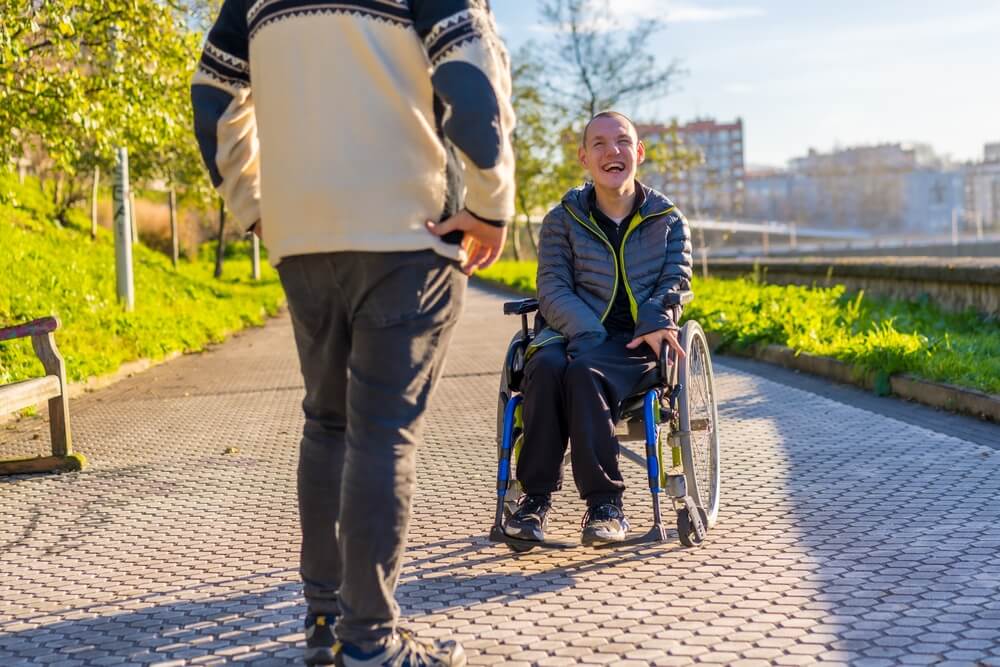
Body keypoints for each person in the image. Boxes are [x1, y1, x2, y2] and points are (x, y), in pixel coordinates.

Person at [191, 2, 515, 665]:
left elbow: (212, 92)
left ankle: (325, 617)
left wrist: (255, 205)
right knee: (382, 431)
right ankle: (370, 642)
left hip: (302, 235)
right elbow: (469, 69)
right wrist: (490, 201)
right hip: (406, 228)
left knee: (327, 422)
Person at [503, 111, 692, 546]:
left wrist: (653, 320)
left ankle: (606, 505)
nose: (613, 152)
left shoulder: (668, 220)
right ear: (584, 158)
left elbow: (676, 281)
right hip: (568, 335)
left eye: (623, 141)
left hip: (637, 342)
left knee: (584, 372)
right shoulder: (562, 219)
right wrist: (585, 336)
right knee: (546, 367)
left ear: (639, 152)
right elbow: (551, 287)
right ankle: (534, 501)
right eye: (600, 144)